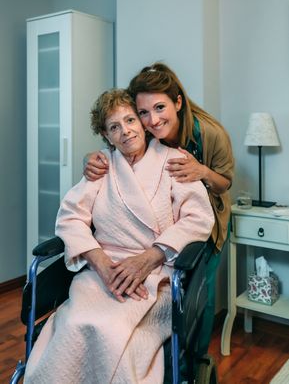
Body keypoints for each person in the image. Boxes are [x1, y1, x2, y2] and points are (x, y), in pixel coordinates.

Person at [24, 89, 214, 384]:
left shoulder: (173, 161)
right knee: (75, 323)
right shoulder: (101, 167)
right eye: (114, 127)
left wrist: (152, 257)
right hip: (102, 274)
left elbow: (199, 218)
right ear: (106, 135)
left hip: (155, 277)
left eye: (130, 120)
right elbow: (70, 217)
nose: (125, 131)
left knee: (114, 331)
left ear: (141, 122)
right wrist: (98, 260)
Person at [84, 63, 234, 357]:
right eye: (142, 113)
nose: (152, 120)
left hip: (210, 217)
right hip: (167, 229)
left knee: (198, 291)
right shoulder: (146, 134)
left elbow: (225, 182)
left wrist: (201, 170)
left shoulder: (212, 134)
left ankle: (196, 359)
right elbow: (118, 145)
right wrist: (92, 158)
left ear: (178, 102)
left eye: (160, 107)